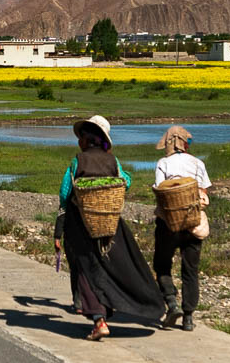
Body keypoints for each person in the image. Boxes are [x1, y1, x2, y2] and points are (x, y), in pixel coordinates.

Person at [54, 115, 165, 341]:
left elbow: (65, 195)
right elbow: (126, 181)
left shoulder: (77, 162)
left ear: (87, 140)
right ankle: (118, 306)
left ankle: (99, 319)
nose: (79, 142)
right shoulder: (113, 161)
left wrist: (58, 231)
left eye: (82, 137)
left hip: (80, 226)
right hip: (109, 223)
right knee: (110, 265)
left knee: (86, 269)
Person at [153, 125, 209, 331]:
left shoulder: (163, 163)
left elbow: (159, 189)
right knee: (190, 270)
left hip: (168, 223)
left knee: (161, 264)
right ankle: (188, 317)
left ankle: (171, 302)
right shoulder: (197, 163)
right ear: (185, 143)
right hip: (193, 223)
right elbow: (203, 190)